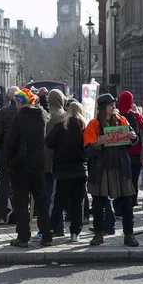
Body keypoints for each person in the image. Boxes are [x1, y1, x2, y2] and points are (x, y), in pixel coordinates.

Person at [83, 94, 139, 247]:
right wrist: (96, 144)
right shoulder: (93, 124)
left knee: (127, 203)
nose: (114, 107)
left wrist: (133, 137)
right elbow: (87, 151)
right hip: (102, 170)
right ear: (103, 108)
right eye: (111, 105)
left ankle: (129, 235)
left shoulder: (121, 120)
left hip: (121, 169)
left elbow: (130, 143)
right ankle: (98, 235)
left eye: (114, 104)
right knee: (99, 204)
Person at [6, 88, 52, 247]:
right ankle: (47, 235)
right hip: (38, 163)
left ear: (20, 102)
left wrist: (9, 162)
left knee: (21, 202)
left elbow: (11, 143)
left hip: (21, 166)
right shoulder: (42, 115)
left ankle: (23, 237)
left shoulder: (19, 118)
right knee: (40, 200)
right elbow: (47, 111)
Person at [46, 101, 88, 242]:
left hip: (62, 171)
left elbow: (49, 143)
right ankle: (75, 233)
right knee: (77, 204)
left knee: (58, 203)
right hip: (80, 170)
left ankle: (50, 231)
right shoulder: (85, 129)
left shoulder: (60, 127)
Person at [0, 86, 20, 225]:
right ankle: (18, 214)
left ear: (9, 96)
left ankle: (2, 215)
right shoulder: (24, 111)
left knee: (4, 183)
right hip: (21, 153)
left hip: (6, 151)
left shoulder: (4, 111)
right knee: (19, 184)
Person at [117, 91, 143, 208]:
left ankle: (120, 202)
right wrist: (137, 111)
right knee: (133, 179)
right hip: (135, 152)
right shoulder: (135, 115)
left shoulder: (117, 115)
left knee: (121, 179)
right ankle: (132, 201)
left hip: (121, 152)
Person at [44, 89, 67, 234]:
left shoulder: (48, 117)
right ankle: (61, 225)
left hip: (48, 162)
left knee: (50, 196)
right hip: (63, 161)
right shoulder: (66, 116)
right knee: (60, 196)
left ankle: (55, 226)